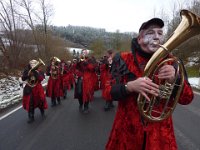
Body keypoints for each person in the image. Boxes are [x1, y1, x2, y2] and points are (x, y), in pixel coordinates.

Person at [105, 18, 194, 150]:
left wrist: (174, 79)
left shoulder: (173, 62)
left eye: (160, 33)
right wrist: (129, 87)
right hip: (126, 133)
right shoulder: (123, 59)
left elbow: (187, 98)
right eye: (151, 32)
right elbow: (107, 92)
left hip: (161, 136)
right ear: (140, 38)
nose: (156, 37)